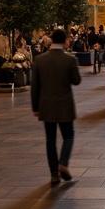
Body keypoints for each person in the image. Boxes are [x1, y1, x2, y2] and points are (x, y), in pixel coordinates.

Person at [31, 28, 81, 185]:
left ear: (51, 40)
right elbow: (76, 81)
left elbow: (35, 86)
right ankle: (63, 163)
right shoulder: (70, 60)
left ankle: (54, 174)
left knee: (50, 139)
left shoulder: (40, 59)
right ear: (65, 40)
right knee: (69, 135)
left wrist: (35, 107)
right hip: (64, 104)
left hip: (46, 104)